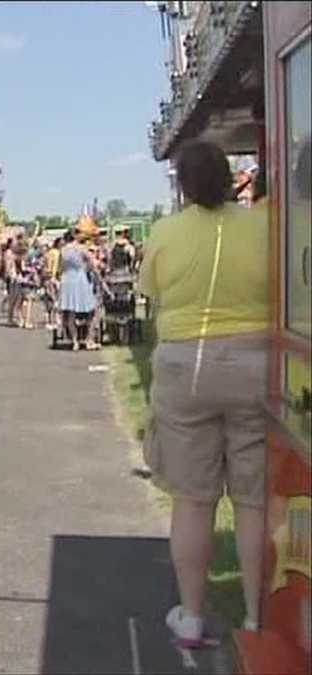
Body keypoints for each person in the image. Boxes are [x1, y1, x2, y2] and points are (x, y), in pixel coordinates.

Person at [138, 140, 270, 647]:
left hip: (186, 363)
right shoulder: (263, 225)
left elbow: (153, 292)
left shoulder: (166, 231)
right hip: (255, 362)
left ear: (183, 185)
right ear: (232, 178)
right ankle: (258, 618)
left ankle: (190, 615)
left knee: (193, 499)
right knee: (252, 499)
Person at [57, 231, 99, 350]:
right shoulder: (81, 248)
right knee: (91, 311)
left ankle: (75, 341)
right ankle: (88, 340)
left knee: (70, 313)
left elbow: (61, 267)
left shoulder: (63, 250)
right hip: (80, 280)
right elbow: (92, 263)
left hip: (67, 280)